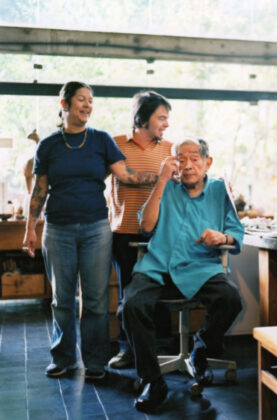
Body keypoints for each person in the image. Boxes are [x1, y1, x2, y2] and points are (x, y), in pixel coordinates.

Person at [22, 81, 160, 380]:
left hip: (97, 229)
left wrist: (161, 177)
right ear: (65, 105)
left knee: (96, 299)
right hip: (57, 229)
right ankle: (63, 358)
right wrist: (30, 229)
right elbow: (39, 191)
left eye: (90, 100)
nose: (87, 105)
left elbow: (126, 175)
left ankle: (96, 361)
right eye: (81, 100)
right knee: (62, 298)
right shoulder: (48, 145)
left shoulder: (101, 140)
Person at [122, 137, 244, 412]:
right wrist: (162, 181)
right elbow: (146, 226)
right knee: (131, 305)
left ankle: (201, 350)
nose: (187, 165)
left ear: (207, 162)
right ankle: (152, 380)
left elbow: (235, 234)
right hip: (157, 267)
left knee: (231, 298)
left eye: (194, 158)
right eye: (181, 159)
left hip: (199, 268)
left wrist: (220, 235)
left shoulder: (219, 190)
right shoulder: (166, 187)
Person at [108, 91, 173, 369]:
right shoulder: (116, 144)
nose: (166, 123)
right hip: (124, 232)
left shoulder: (170, 148)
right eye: (161, 117)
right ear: (143, 117)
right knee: (129, 295)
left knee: (158, 293)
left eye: (167, 118)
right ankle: (129, 350)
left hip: (159, 233)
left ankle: (162, 350)